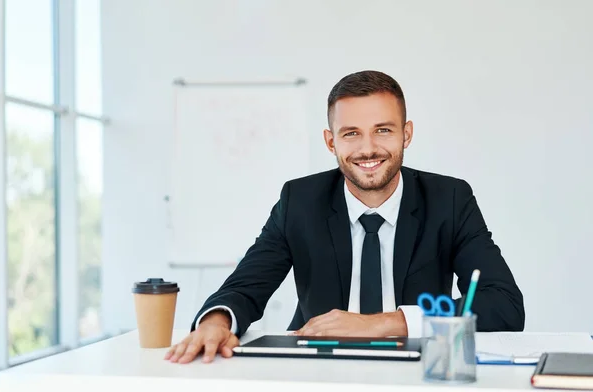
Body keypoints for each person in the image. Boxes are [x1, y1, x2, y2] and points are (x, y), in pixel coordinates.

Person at [165, 70, 525, 364]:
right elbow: (246, 285)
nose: (368, 148)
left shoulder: (449, 199)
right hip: (318, 368)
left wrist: (386, 324)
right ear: (330, 142)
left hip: (419, 371)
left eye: (383, 130)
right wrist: (215, 321)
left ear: (407, 134)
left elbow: (504, 304)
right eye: (351, 134)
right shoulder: (300, 201)